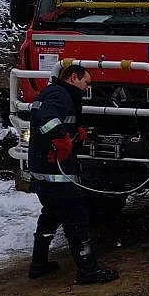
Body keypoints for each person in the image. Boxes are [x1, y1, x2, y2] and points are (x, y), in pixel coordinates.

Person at [27, 64, 119, 284]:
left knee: (50, 215)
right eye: (86, 82)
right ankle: (87, 270)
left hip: (42, 170)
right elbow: (48, 119)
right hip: (56, 172)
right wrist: (61, 139)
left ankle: (38, 265)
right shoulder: (60, 94)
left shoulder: (51, 92)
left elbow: (51, 118)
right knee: (76, 218)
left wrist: (75, 133)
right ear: (73, 77)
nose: (87, 88)